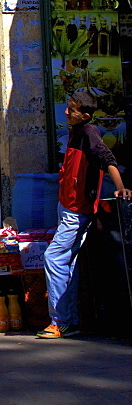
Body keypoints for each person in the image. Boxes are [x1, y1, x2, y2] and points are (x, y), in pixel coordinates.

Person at [37, 89, 131, 339]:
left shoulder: (89, 132)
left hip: (77, 210)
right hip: (68, 206)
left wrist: (120, 187)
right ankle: (71, 320)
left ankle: (61, 320)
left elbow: (107, 159)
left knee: (54, 258)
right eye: (68, 106)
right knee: (67, 262)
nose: (67, 111)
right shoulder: (76, 131)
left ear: (85, 114)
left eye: (72, 109)